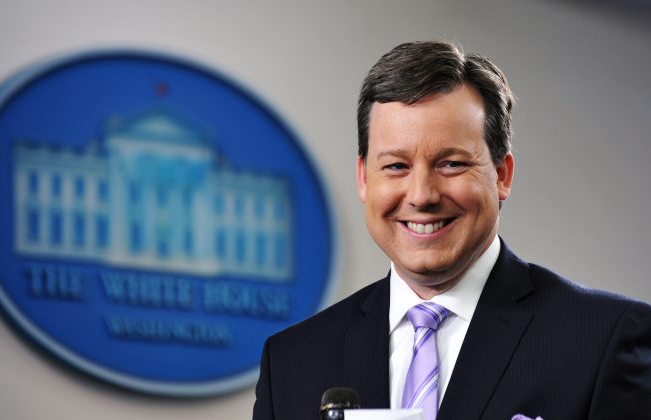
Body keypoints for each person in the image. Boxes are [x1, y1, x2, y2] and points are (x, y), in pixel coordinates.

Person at [252, 40, 651, 420]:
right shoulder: (290, 364)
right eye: (396, 166)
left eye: (452, 164)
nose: (422, 195)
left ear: (501, 175)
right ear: (363, 178)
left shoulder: (603, 340)